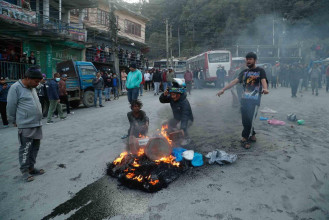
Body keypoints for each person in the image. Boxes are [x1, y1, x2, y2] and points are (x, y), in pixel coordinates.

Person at [217, 52, 269, 149]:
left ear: (255, 60)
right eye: (247, 59)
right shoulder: (244, 72)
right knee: (245, 119)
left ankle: (245, 138)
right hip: (244, 99)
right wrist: (223, 89)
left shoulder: (260, 70)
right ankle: (252, 135)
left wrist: (265, 88)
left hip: (254, 100)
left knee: (250, 119)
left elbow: (263, 80)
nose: (248, 61)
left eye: (250, 59)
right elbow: (234, 81)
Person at [6, 67, 45, 182]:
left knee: (35, 147)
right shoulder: (15, 88)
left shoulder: (32, 87)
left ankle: (32, 168)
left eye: (39, 81)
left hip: (37, 123)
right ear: (27, 78)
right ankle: (24, 171)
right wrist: (13, 120)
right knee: (26, 148)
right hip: (26, 124)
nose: (37, 84)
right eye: (36, 81)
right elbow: (11, 106)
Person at [159, 79, 194, 145]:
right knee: (166, 124)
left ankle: (187, 140)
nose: (172, 96)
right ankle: (172, 139)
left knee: (180, 127)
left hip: (187, 120)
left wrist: (183, 128)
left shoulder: (184, 103)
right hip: (177, 118)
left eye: (174, 95)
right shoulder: (172, 98)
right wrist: (164, 95)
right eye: (171, 94)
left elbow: (185, 116)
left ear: (179, 94)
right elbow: (162, 100)